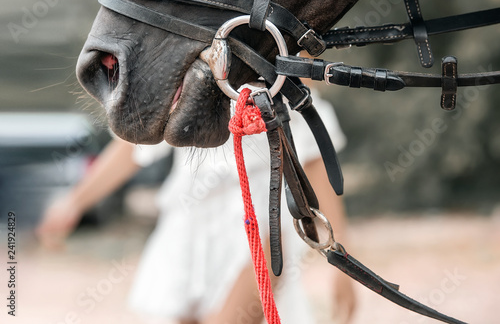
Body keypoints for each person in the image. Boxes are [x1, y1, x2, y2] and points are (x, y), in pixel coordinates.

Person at [36, 88, 356, 324]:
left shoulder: (292, 106)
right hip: (186, 235)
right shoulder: (187, 94)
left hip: (257, 241)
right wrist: (75, 201)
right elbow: (131, 152)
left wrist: (342, 267)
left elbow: (321, 194)